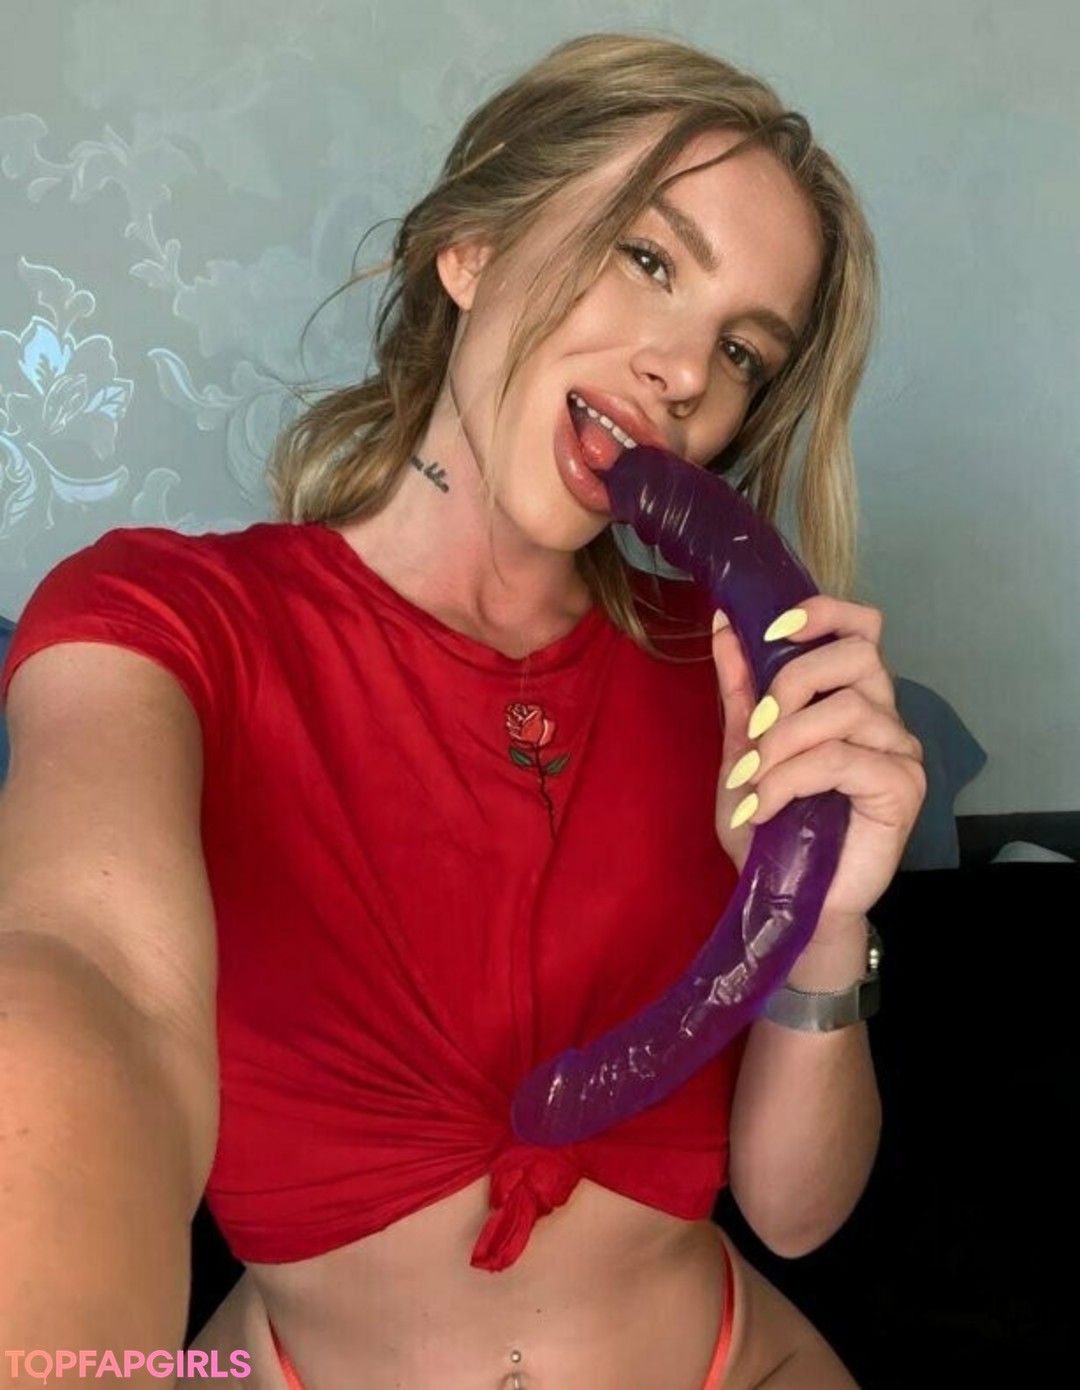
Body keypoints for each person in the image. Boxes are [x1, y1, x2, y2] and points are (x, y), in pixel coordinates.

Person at [0, 32, 925, 1390]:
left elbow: (796, 1215)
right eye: (647, 257)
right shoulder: (165, 622)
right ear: (474, 247)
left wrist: (821, 916)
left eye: (740, 349)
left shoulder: (734, 684)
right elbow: (94, 984)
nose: (685, 373)